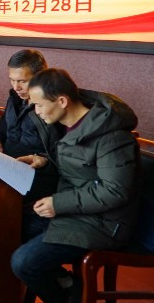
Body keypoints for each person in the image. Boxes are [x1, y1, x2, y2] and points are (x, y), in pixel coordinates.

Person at [11, 68, 140, 303]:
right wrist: (44, 160)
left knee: (24, 262)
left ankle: (70, 293)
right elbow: (80, 167)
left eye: (39, 105)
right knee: (5, 228)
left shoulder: (111, 137)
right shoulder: (68, 124)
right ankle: (70, 285)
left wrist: (58, 203)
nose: (36, 111)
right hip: (76, 211)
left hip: (105, 222)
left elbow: (115, 190)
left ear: (62, 101)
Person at [0, 50, 59, 240]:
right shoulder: (14, 98)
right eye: (12, 80)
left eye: (22, 81)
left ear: (40, 77)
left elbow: (60, 153)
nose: (16, 87)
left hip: (35, 177)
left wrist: (42, 160)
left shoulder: (51, 107)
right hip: (5, 167)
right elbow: (1, 129)